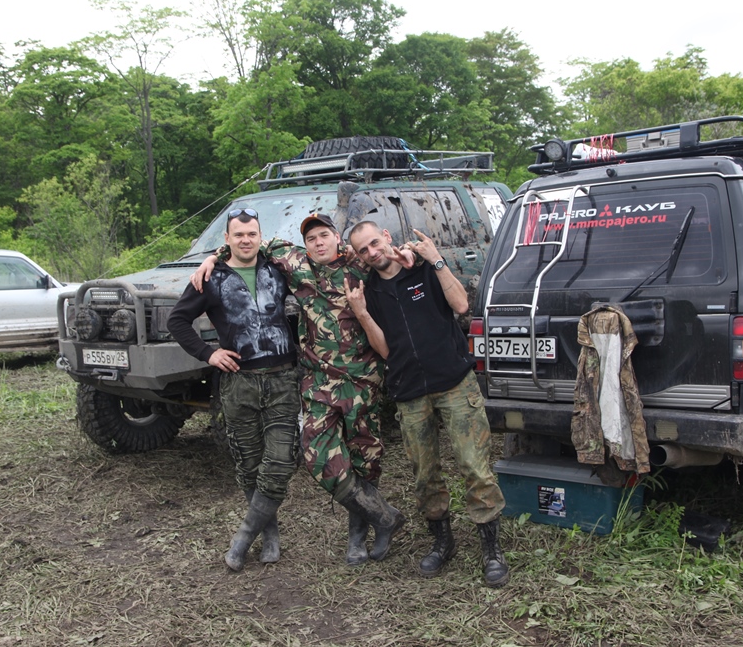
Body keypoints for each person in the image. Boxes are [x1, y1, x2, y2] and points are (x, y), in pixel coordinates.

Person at [192, 213, 407, 565]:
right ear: (304, 244)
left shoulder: (360, 263)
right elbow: (248, 243)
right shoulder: (295, 262)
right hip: (319, 382)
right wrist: (213, 257)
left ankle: (360, 536)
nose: (318, 243)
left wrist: (414, 256)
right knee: (317, 457)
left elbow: (388, 256)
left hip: (363, 381)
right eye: (311, 238)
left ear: (337, 238)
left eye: (324, 235)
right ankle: (385, 517)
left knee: (364, 460)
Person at [345, 221, 510, 587]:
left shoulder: (422, 268)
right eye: (363, 250)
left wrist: (436, 259)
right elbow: (384, 350)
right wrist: (362, 313)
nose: (371, 252)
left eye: (374, 243)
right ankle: (442, 542)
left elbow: (462, 304)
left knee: (474, 466)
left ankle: (491, 549)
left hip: (454, 383)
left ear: (386, 237)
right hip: (409, 392)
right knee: (425, 475)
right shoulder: (369, 291)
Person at [167, 208, 300, 572]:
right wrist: (208, 353)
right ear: (227, 239)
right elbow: (177, 320)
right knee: (249, 464)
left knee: (280, 462)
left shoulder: (279, 269)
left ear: (260, 237)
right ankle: (270, 535)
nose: (245, 240)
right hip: (239, 383)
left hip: (282, 380)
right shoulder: (211, 279)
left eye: (251, 234)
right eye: (238, 235)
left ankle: (243, 537)